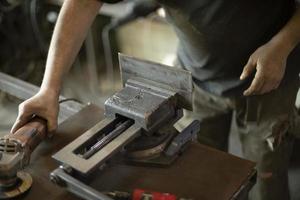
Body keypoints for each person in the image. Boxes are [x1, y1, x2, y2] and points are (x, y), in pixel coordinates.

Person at [11, 0, 300, 199]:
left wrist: (282, 45)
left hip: (272, 75)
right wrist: (49, 89)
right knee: (202, 173)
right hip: (196, 76)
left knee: (266, 178)